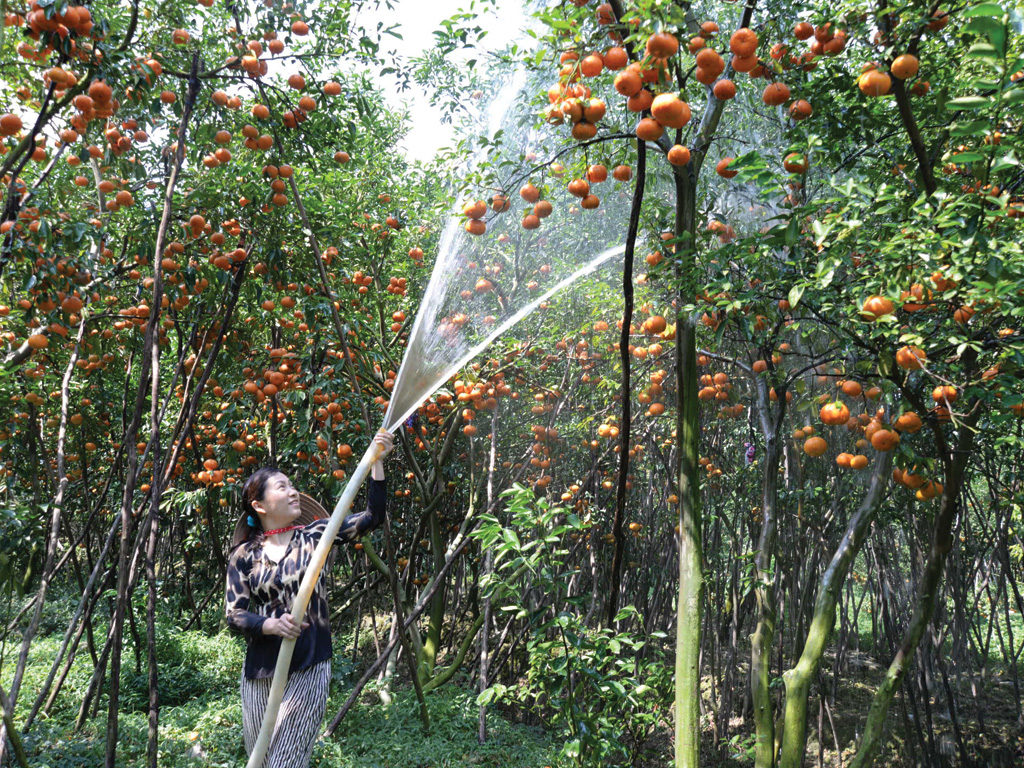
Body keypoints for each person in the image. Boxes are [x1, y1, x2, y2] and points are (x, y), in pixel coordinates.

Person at [225, 431, 393, 768]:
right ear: (259, 505)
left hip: (309, 662)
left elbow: (372, 517)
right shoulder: (244, 554)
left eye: (292, 485)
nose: (292, 491)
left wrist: (377, 464)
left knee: (285, 763)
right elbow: (234, 614)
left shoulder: (318, 534)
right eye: (282, 487)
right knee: (260, 759)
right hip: (261, 670)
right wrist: (269, 624)